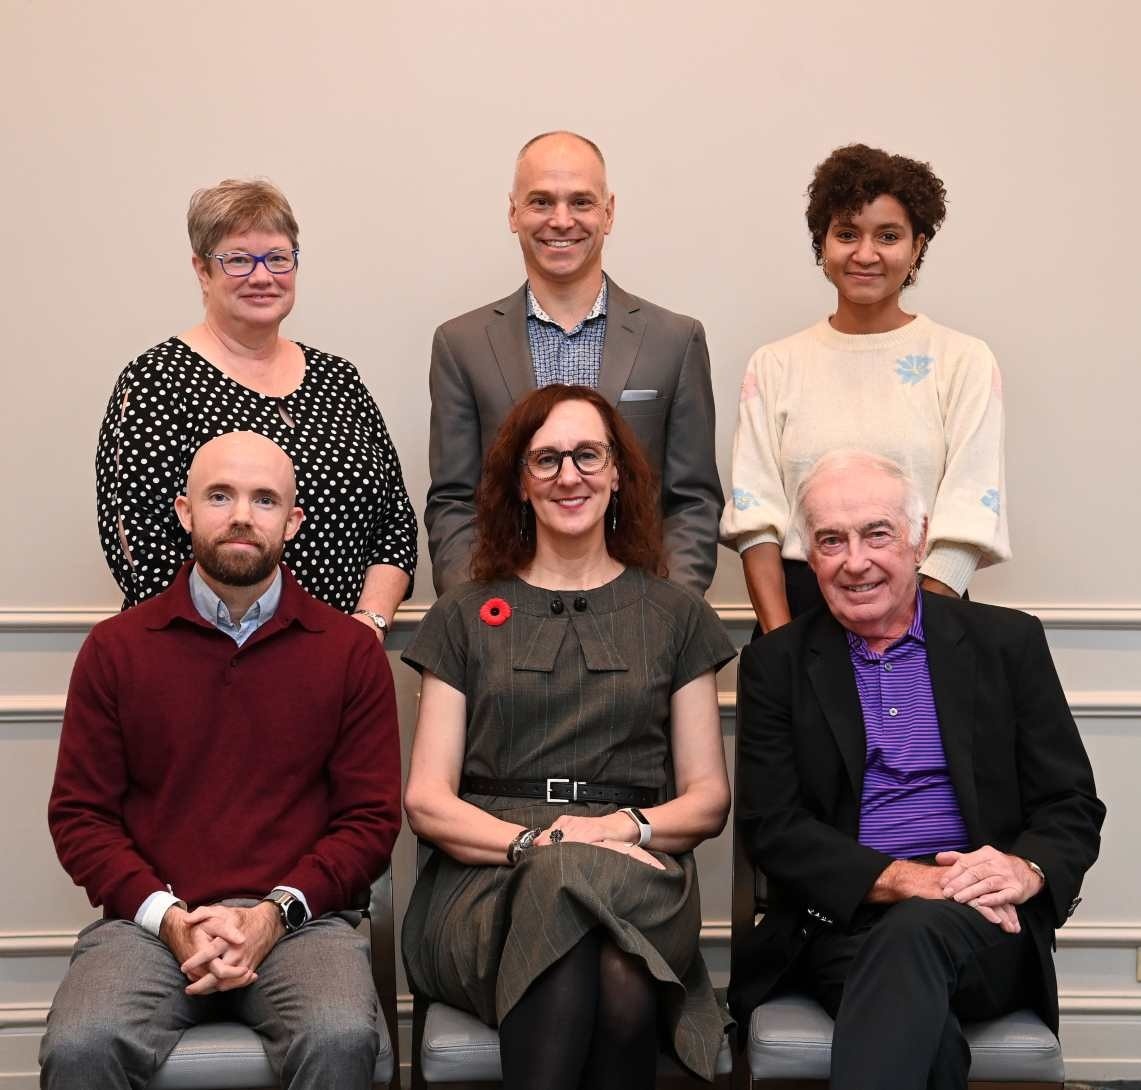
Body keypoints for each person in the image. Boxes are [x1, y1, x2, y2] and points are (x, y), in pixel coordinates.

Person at [729, 450, 1105, 1090]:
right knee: (917, 1022)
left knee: (908, 948)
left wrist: (1022, 869)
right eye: (830, 541)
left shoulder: (1006, 644)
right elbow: (774, 826)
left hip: (985, 924)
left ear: (920, 539)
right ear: (809, 554)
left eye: (877, 534)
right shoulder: (778, 665)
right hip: (841, 925)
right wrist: (906, 880)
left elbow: (1070, 802)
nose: (855, 561)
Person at [41, 432, 402, 1090]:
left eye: (264, 499)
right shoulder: (116, 649)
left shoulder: (349, 652)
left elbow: (369, 820)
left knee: (340, 1035)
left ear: (291, 522)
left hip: (302, 922)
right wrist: (170, 919)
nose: (242, 514)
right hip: (148, 924)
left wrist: (271, 916)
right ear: (185, 512)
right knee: (80, 1043)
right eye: (220, 495)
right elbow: (80, 817)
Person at [402, 385, 734, 1088]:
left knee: (578, 900)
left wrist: (616, 829)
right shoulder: (461, 614)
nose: (568, 475)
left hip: (635, 865)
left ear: (617, 473)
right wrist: (538, 844)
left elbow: (706, 801)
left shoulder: (676, 614)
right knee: (614, 965)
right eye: (545, 459)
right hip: (482, 882)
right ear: (519, 485)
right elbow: (428, 802)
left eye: (587, 455)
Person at [96, 178, 416, 634]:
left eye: (278, 258)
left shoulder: (340, 380)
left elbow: (395, 527)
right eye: (239, 260)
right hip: (203, 665)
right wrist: (243, 646)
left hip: (338, 664)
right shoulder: (157, 380)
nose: (263, 277)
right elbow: (138, 545)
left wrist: (368, 624)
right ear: (202, 271)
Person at [720, 143, 1010, 633]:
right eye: (847, 234)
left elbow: (968, 515)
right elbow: (756, 520)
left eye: (888, 235)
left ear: (917, 246)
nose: (865, 254)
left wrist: (910, 633)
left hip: (928, 613)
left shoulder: (963, 361)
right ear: (822, 244)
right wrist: (782, 643)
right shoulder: (775, 365)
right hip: (798, 612)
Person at [425, 130, 722, 597]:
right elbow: (454, 503)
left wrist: (668, 614)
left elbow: (693, 501)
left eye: (581, 202)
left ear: (609, 212)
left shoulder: (675, 341)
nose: (561, 221)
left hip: (642, 620)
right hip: (505, 623)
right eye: (541, 202)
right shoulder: (461, 345)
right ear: (513, 213)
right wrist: (478, 616)